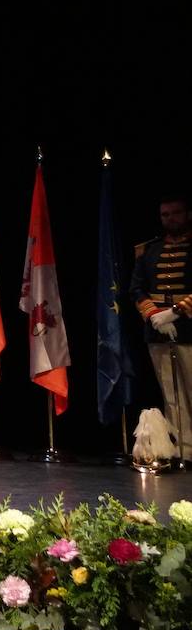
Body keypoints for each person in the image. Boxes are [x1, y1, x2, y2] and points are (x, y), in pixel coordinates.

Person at [130, 194, 191, 468]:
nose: (170, 219)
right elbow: (136, 288)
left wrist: (177, 311)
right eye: (165, 214)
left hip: (189, 327)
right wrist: (154, 315)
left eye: (175, 213)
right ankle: (180, 449)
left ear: (187, 214)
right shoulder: (149, 250)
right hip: (157, 330)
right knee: (170, 393)